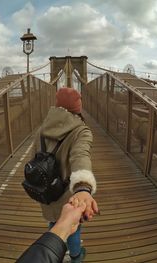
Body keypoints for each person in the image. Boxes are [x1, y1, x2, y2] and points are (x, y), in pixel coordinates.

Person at [32, 87, 99, 262]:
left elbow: (35, 156)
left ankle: (53, 252)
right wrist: (83, 187)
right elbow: (80, 156)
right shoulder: (81, 131)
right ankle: (76, 256)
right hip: (67, 194)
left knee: (54, 223)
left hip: (46, 190)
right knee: (72, 227)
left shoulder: (42, 128)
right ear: (78, 107)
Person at [17, 200, 87, 263]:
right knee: (74, 231)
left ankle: (61, 249)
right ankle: (75, 257)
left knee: (53, 224)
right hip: (69, 205)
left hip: (48, 206)